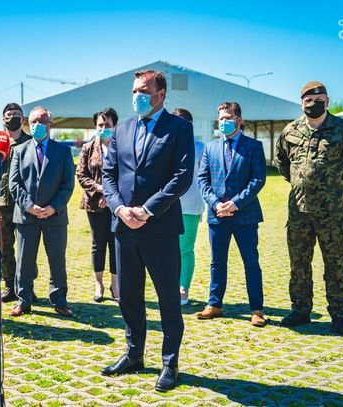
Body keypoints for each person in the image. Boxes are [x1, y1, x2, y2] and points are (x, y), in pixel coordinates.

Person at [101, 70, 194, 391]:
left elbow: (182, 176)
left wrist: (147, 209)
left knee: (167, 298)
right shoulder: (123, 128)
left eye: (143, 91)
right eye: (134, 91)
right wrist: (119, 208)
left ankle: (170, 363)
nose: (136, 96)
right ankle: (134, 354)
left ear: (160, 94)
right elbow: (109, 174)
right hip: (124, 227)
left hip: (160, 228)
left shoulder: (179, 128)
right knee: (128, 296)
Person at [275, 81, 343, 336]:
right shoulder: (290, 131)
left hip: (331, 212)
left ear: (327, 102)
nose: (313, 104)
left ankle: (339, 315)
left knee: (336, 264)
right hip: (299, 211)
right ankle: (300, 310)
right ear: (301, 102)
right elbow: (281, 161)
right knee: (299, 264)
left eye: (319, 100)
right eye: (309, 100)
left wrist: (339, 184)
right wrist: (299, 182)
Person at [196, 102, 267, 327]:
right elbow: (203, 180)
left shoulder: (253, 146)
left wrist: (235, 204)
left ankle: (256, 309)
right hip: (217, 215)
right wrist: (216, 203)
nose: (223, 122)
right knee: (217, 262)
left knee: (251, 262)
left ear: (238, 119)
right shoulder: (210, 148)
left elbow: (258, 179)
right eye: (220, 118)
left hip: (245, 215)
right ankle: (215, 304)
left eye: (227, 118)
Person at [8, 106, 75, 317]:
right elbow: (14, 184)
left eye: (42, 121)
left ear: (50, 125)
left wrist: (53, 207)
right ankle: (23, 300)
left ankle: (59, 300)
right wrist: (29, 206)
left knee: (57, 260)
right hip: (27, 216)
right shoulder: (19, 150)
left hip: (54, 216)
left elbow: (68, 185)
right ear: (28, 124)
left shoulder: (63, 151)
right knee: (24, 261)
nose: (37, 125)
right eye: (34, 121)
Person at [76, 107, 119, 303]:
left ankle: (115, 284)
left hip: (117, 204)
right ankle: (99, 284)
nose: (103, 128)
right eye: (100, 125)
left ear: (114, 125)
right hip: (94, 204)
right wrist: (100, 189)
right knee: (98, 244)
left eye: (107, 125)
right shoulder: (88, 148)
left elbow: (127, 174)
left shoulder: (121, 147)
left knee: (115, 244)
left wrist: (111, 196)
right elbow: (81, 174)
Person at [0, 103, 36, 303]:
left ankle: (27, 286)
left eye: (17, 114)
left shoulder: (30, 142)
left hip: (25, 202)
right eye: (9, 114)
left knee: (26, 247)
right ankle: (10, 285)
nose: (12, 117)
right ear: (3, 119)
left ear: (23, 119)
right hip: (2, 202)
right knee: (4, 245)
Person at [171, 108, 205, 306]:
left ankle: (183, 287)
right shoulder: (165, 144)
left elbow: (204, 178)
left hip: (190, 206)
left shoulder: (200, 148)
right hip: (166, 206)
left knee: (185, 249)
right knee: (168, 250)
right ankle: (170, 286)